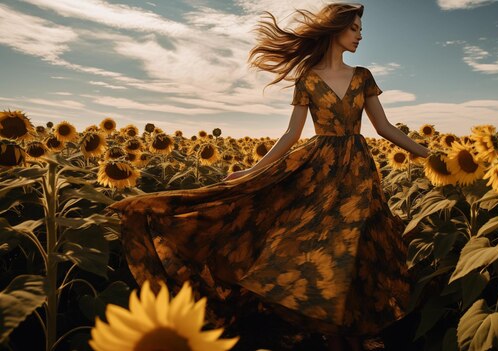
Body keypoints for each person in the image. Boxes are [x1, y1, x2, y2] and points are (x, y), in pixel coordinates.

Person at [105, 3, 431, 351]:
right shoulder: (307, 78)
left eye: (360, 29)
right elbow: (291, 134)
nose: (360, 35)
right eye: (354, 28)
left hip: (357, 172)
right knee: (318, 249)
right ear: (335, 30)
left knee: (356, 250)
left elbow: (383, 127)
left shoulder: (363, 76)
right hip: (318, 170)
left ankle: (351, 333)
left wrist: (429, 154)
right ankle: (333, 336)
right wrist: (253, 171)